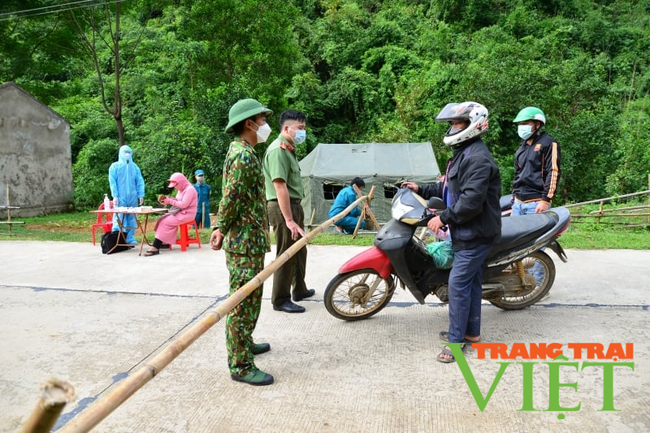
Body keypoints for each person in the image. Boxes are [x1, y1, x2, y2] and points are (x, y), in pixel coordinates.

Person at [401, 101, 501, 363]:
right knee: (471, 284)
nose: (453, 127)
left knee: (457, 286)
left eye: (458, 123)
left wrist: (443, 218)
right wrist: (420, 189)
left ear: (474, 125)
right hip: (467, 232)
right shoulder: (463, 153)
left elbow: (470, 201)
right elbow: (447, 189)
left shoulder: (478, 159)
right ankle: (472, 334)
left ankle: (456, 343)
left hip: (475, 234)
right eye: (453, 123)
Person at [210, 98, 274, 386]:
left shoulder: (243, 150)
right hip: (244, 242)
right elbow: (232, 197)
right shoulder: (244, 156)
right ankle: (240, 364)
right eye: (262, 120)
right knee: (242, 303)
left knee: (249, 300)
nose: (265, 125)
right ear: (249, 123)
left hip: (249, 240)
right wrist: (220, 227)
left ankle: (244, 343)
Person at [262, 109, 315, 313]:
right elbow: (279, 186)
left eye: (304, 128)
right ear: (287, 128)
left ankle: (299, 289)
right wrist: (289, 220)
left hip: (293, 205)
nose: (303, 132)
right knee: (286, 252)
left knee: (299, 248)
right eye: (300, 128)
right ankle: (280, 299)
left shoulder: (289, 150)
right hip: (282, 207)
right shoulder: (278, 150)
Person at [511, 106, 561, 215]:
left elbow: (553, 172)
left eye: (525, 123)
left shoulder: (548, 143)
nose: (521, 126)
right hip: (518, 203)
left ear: (537, 125)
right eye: (520, 124)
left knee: (536, 233)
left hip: (536, 203)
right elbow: (517, 175)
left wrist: (545, 200)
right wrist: (514, 200)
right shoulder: (521, 148)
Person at [144, 172, 197, 256]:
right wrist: (167, 199)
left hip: (187, 214)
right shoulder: (181, 190)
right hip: (180, 213)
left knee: (165, 222)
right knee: (162, 218)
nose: (175, 187)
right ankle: (164, 241)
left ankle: (156, 246)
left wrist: (169, 201)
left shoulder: (190, 189)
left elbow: (183, 204)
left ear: (181, 182)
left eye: (176, 185)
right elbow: (177, 200)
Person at [108, 144, 145, 245]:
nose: (127, 155)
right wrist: (114, 195)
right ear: (121, 153)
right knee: (119, 216)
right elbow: (113, 182)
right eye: (125, 152)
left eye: (129, 152)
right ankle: (118, 238)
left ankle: (130, 237)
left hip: (132, 196)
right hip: (120, 197)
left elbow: (140, 181)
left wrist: (140, 194)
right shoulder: (115, 166)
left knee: (133, 217)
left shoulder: (135, 167)